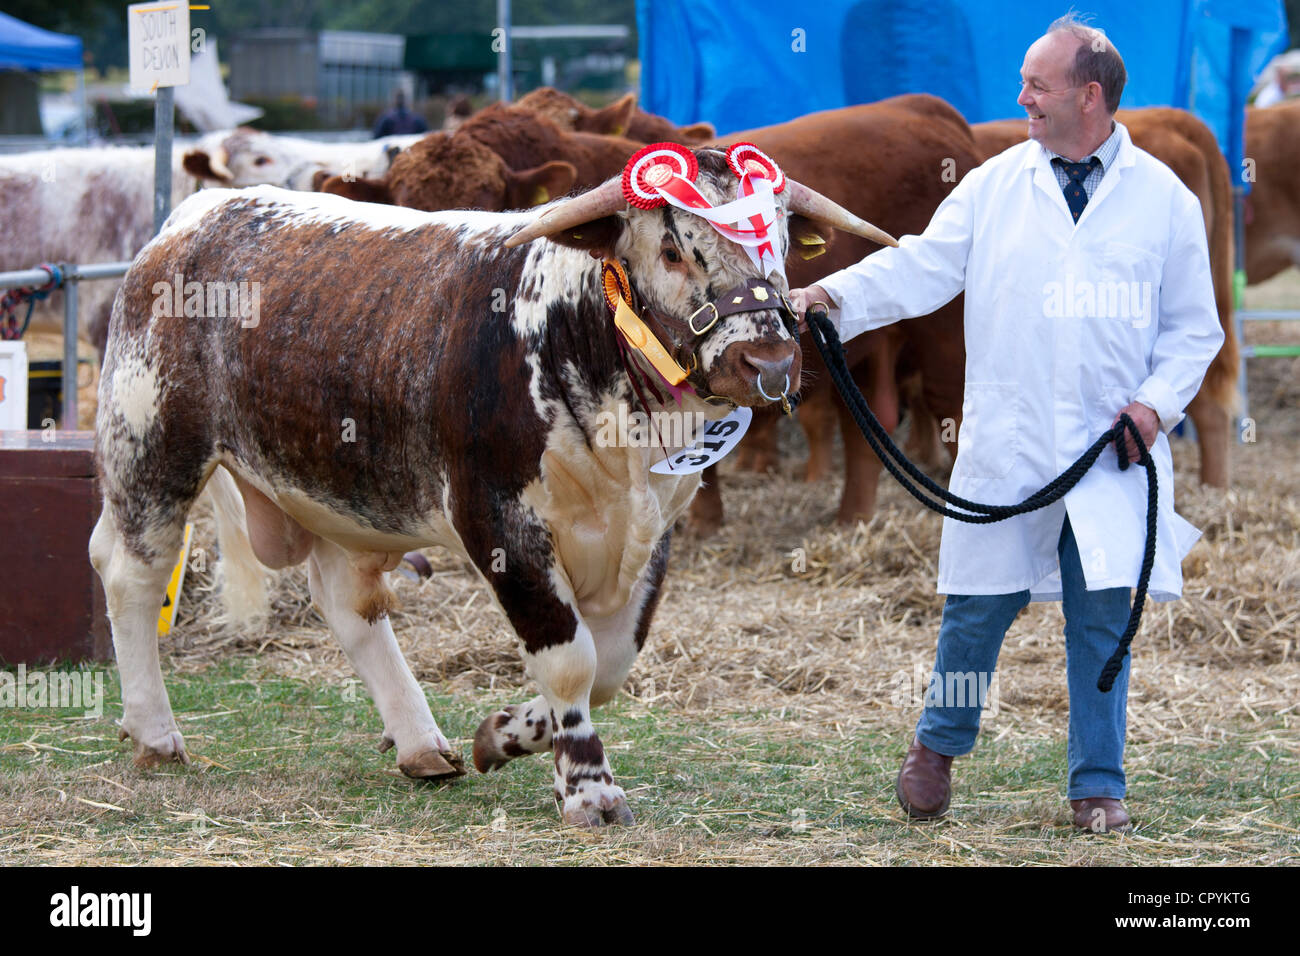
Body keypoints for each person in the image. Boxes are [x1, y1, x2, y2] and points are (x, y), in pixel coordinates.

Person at [789, 15, 1224, 832]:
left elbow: (1195, 331)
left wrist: (1155, 405)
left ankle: (1098, 784)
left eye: (1037, 83)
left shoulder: (1162, 199)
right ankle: (936, 749)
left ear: (1088, 96)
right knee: (976, 610)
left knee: (1102, 620)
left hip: (1109, 455)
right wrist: (832, 298)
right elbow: (922, 266)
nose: (1020, 97)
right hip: (1009, 442)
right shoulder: (993, 184)